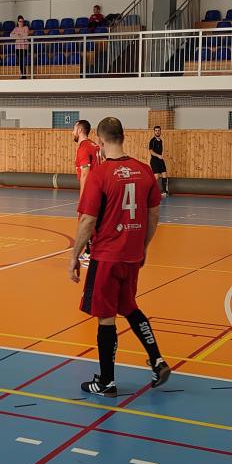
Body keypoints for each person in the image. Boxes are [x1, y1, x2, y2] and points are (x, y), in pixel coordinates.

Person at [69, 116, 172, 396]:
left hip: (106, 256)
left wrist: (75, 256)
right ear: (123, 137)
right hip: (132, 256)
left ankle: (106, 382)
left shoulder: (100, 174)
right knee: (128, 306)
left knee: (105, 317)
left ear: (100, 141)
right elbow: (153, 217)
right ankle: (157, 360)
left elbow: (87, 221)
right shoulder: (144, 171)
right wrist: (144, 247)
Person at [73, 119, 99, 265]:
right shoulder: (94, 145)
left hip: (92, 191)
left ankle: (90, 254)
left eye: (74, 129)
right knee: (96, 223)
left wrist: (83, 199)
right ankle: (92, 252)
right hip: (100, 189)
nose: (72, 132)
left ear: (80, 130)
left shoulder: (83, 148)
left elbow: (85, 174)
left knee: (86, 222)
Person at [147, 124, 169, 197]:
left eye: (158, 130)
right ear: (154, 132)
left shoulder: (161, 141)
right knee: (156, 177)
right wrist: (158, 155)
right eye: (156, 131)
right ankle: (149, 191)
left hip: (160, 160)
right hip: (154, 161)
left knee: (164, 175)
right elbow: (151, 151)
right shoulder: (152, 141)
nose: (157, 132)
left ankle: (165, 192)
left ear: (160, 131)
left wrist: (161, 156)